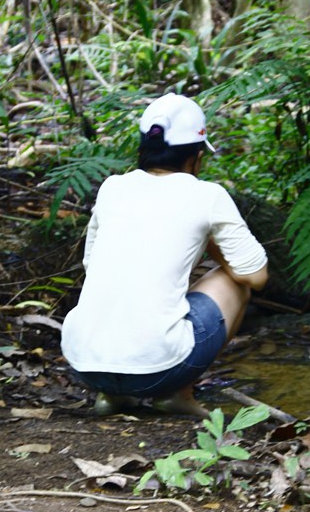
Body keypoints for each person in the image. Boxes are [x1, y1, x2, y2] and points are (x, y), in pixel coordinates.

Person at [61, 93, 268, 417]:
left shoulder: (112, 187)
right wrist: (211, 243)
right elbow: (255, 276)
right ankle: (177, 394)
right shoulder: (206, 195)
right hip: (157, 372)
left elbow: (92, 265)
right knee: (235, 283)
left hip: (83, 365)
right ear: (196, 157)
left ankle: (110, 396)